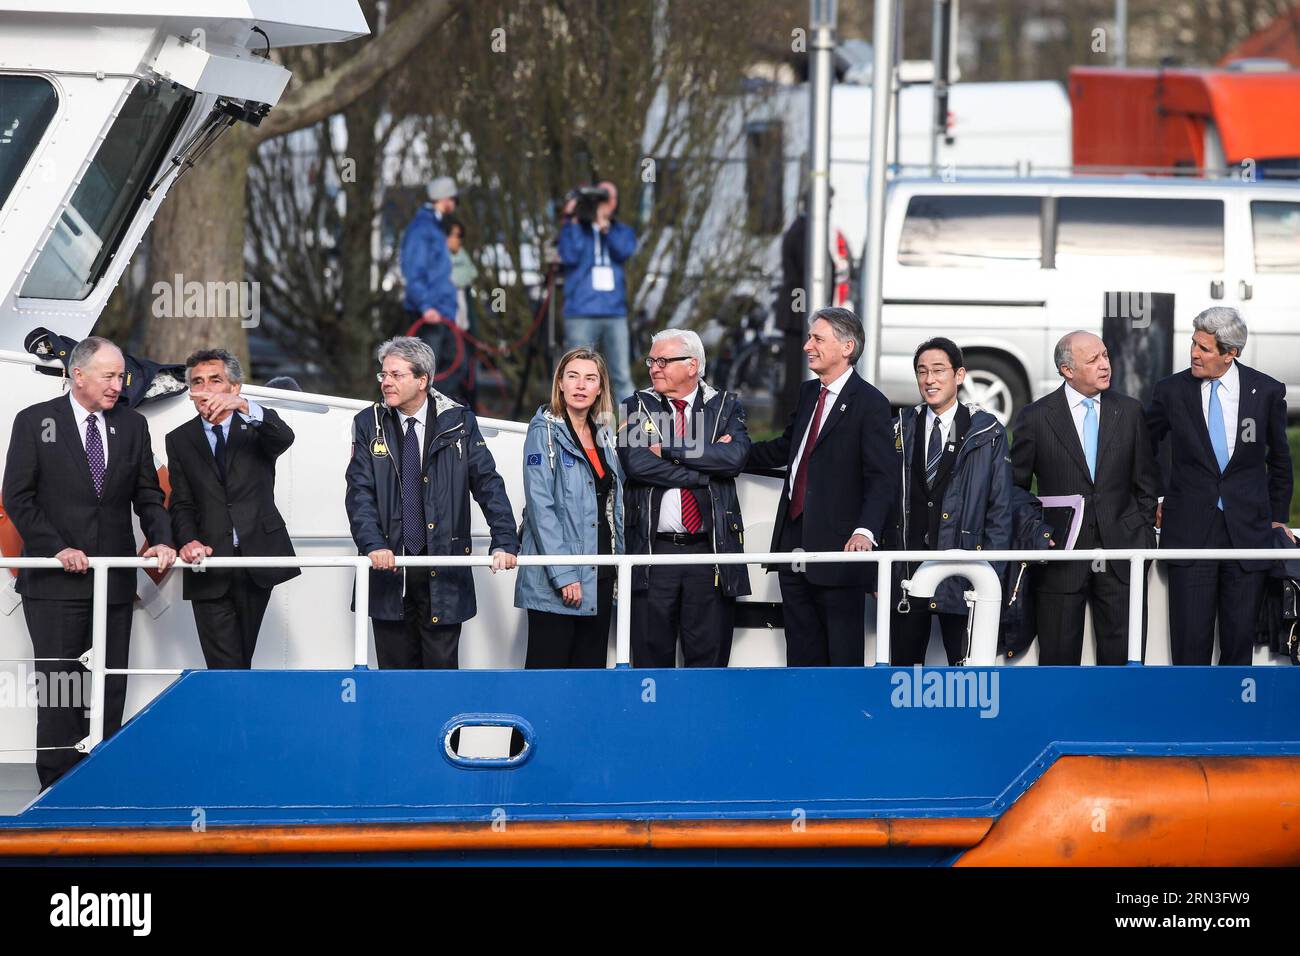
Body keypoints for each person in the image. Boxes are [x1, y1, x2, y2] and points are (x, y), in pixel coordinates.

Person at [2, 336, 175, 788]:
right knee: (61, 686)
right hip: (53, 585)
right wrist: (57, 548)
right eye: (109, 375)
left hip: (113, 580)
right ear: (78, 375)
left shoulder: (132, 427)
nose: (119, 384)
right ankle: (57, 789)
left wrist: (161, 538)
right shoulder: (36, 421)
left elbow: (148, 495)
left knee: (108, 683)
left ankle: (104, 781)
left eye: (121, 376)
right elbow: (18, 498)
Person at [344, 336, 518, 669]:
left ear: (422, 380)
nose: (386, 382)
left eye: (396, 375)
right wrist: (373, 545)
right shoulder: (369, 423)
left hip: (445, 574)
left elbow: (488, 484)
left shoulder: (459, 422)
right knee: (394, 686)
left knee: (441, 685)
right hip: (389, 572)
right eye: (383, 375)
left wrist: (505, 541)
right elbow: (359, 492)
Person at [747, 308, 897, 667]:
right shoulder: (807, 393)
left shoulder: (871, 403)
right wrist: (725, 454)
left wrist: (865, 532)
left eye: (817, 338)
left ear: (847, 347)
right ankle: (803, 722)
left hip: (841, 553)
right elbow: (787, 448)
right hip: (793, 545)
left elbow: (882, 476)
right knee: (800, 656)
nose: (806, 346)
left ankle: (845, 724)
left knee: (842, 659)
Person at [1147, 307, 1294, 665]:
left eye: (1205, 349)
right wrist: (1154, 497)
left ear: (1231, 353)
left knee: (1239, 643)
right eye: (1193, 344)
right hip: (1189, 535)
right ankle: (1188, 718)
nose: (1194, 354)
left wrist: (1277, 517)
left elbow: (1280, 460)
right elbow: (1143, 449)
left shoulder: (1267, 391)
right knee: (1189, 645)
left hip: (1247, 536)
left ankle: (1234, 717)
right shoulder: (1170, 391)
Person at [1010, 331, 1160, 665]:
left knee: (1124, 663)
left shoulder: (1130, 411)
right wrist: (1039, 532)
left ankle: (1119, 718)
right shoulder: (1035, 417)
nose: (1105, 365)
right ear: (1067, 370)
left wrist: (1143, 533)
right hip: (1061, 557)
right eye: (1093, 360)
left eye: (1105, 356)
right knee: (1059, 662)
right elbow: (1015, 488)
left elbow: (1146, 482)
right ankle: (1059, 719)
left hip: (1123, 553)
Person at [618, 329, 751, 668]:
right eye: (651, 360)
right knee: (650, 662)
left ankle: (703, 723)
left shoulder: (725, 405)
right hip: (652, 553)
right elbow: (636, 464)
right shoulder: (637, 405)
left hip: (710, 555)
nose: (654, 368)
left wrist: (668, 450)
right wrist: (705, 471)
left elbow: (734, 458)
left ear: (693, 365)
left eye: (663, 360)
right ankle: (654, 723)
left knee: (708, 665)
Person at [165, 349, 299, 670]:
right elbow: (181, 502)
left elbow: (285, 436)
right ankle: (237, 719)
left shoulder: (256, 426)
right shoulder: (179, 439)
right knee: (225, 665)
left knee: (242, 659)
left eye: (215, 380)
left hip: (258, 559)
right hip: (209, 564)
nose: (206, 388)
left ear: (234, 388)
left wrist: (245, 407)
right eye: (198, 382)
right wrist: (187, 540)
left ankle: (240, 719)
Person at [885, 337, 1012, 666]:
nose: (929, 380)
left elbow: (999, 510)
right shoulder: (901, 428)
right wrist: (881, 571)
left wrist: (992, 574)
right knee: (903, 673)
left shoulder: (986, 432)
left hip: (967, 571)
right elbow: (886, 503)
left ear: (959, 375)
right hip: (907, 571)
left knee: (966, 670)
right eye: (922, 372)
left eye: (939, 370)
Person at [515, 348, 625, 668]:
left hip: (600, 572)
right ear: (560, 384)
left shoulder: (603, 433)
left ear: (600, 388)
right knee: (547, 680)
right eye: (572, 376)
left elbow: (612, 505)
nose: (580, 385)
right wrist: (564, 574)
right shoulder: (543, 432)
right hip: (559, 577)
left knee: (588, 678)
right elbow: (540, 507)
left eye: (590, 378)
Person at [559, 180, 637, 404]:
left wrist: (605, 228)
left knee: (621, 374)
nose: (603, 203)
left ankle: (633, 432)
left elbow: (624, 251)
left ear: (614, 203)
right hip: (581, 310)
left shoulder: (622, 231)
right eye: (599, 197)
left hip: (614, 312)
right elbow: (569, 256)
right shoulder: (576, 228)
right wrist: (572, 218)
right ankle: (569, 430)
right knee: (575, 373)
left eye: (607, 198)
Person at [400, 177, 459, 328]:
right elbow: (413, 271)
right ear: (445, 199)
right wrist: (425, 306)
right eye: (454, 199)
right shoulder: (422, 229)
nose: (455, 205)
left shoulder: (437, 227)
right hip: (428, 316)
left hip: (443, 314)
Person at [443, 216, 479, 333]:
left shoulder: (461, 253)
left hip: (462, 313)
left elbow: (473, 273)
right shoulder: (437, 258)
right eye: (457, 235)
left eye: (461, 236)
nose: (459, 240)